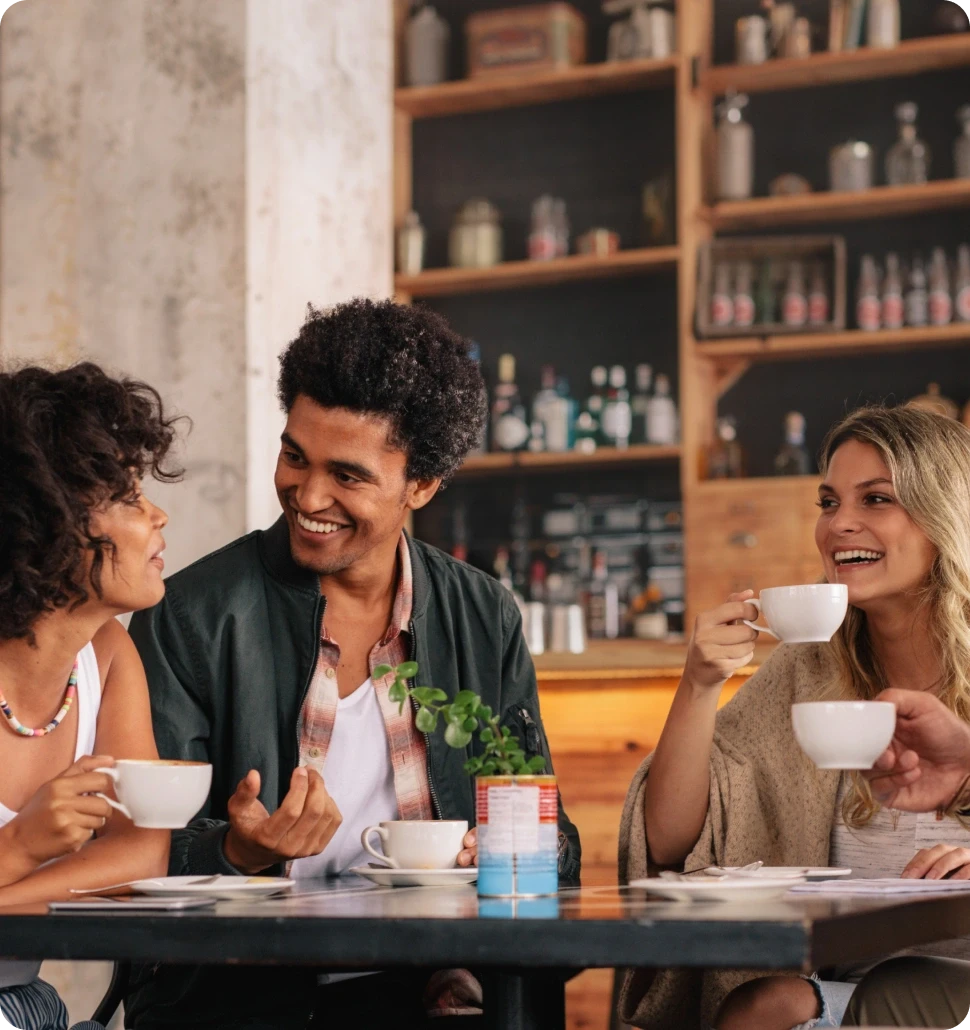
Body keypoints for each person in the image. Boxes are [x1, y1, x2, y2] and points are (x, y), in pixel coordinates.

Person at [125, 298, 581, 1030]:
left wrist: (501, 852)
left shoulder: (482, 614)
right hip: (241, 1000)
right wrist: (235, 850)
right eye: (295, 455)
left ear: (422, 485)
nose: (308, 496)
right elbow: (126, 853)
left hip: (434, 994)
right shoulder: (190, 613)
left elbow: (559, 851)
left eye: (348, 475)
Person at [617, 404, 970, 1030]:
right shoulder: (808, 668)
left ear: (942, 517)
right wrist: (699, 683)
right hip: (855, 994)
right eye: (829, 502)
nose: (841, 525)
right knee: (762, 1006)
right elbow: (672, 841)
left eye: (876, 500)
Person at [0, 362, 176, 1030]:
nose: (158, 514)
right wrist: (22, 844)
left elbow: (138, 856)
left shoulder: (107, 653)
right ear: (48, 520)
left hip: (28, 1009)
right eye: (129, 497)